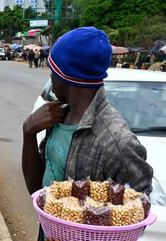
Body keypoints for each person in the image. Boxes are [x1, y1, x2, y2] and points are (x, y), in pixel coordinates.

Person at [21, 27, 153, 240]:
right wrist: (28, 132)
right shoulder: (58, 115)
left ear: (65, 75)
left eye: (52, 70)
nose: (50, 76)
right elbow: (37, 191)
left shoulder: (117, 141)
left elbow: (138, 214)